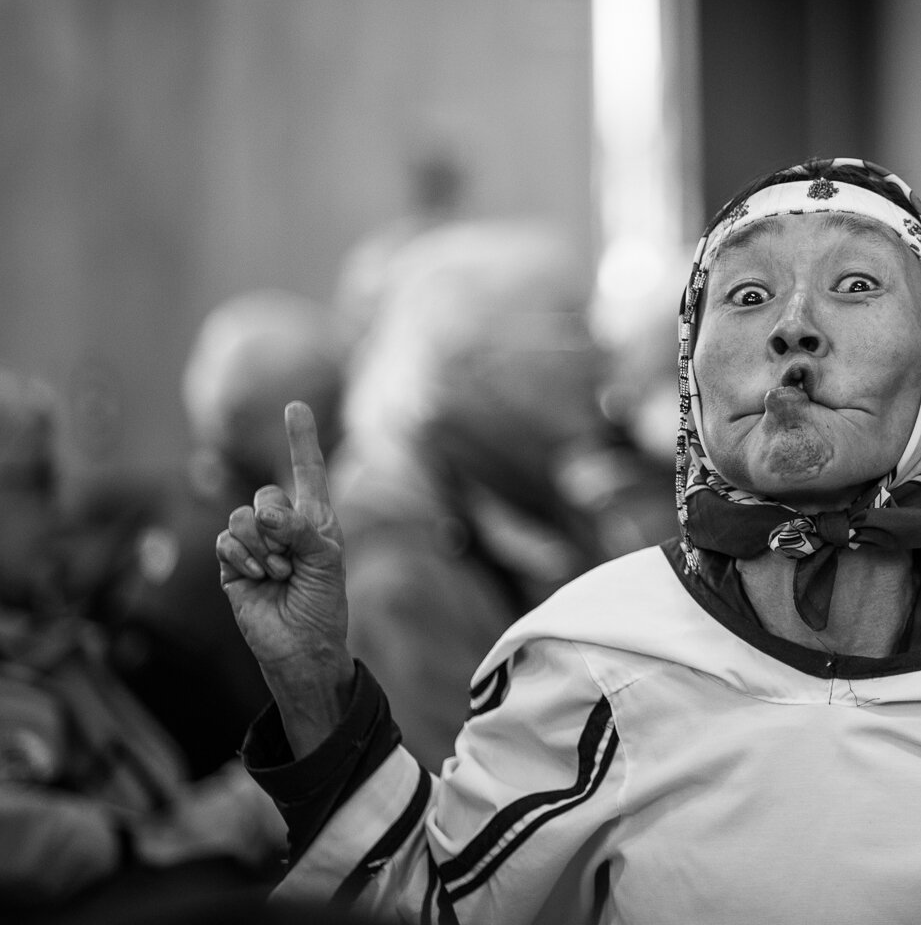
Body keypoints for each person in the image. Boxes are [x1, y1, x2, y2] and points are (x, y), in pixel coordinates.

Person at [216, 158, 921, 924]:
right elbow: (428, 911)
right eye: (746, 294)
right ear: (695, 378)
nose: (794, 325)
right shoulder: (598, 663)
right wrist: (314, 685)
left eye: (853, 285)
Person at [1, 368, 284, 919]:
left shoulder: (58, 633)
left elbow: (161, 801)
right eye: (36, 480)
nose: (62, 509)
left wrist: (251, 802)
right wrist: (143, 842)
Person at [326, 220, 606, 771]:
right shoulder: (398, 566)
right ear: (471, 365)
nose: (600, 351)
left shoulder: (531, 504)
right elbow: (455, 802)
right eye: (571, 323)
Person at [105, 290, 348, 779]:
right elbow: (294, 732)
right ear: (248, 417)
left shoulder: (164, 504)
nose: (342, 431)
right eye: (327, 408)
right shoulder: (251, 547)